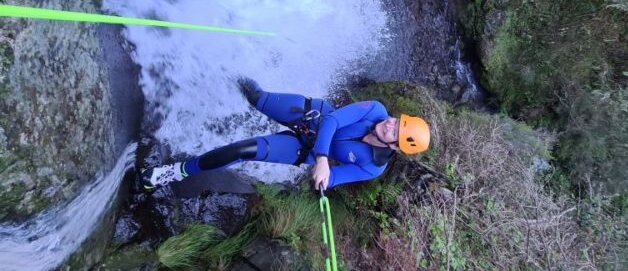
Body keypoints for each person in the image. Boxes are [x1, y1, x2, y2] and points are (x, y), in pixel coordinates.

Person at [140, 78, 430, 191]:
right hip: (309, 116)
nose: (391, 123)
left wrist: (322, 184)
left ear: (396, 146)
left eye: (397, 130)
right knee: (256, 96)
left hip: (300, 148)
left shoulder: (372, 167)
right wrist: (323, 158)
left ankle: (175, 172)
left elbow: (331, 178)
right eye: (397, 121)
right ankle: (214, 68)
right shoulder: (375, 110)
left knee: (242, 152)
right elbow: (331, 120)